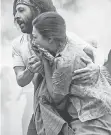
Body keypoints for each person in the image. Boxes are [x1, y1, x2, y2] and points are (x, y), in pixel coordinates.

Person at [12, 0, 97, 134]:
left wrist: (94, 68)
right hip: (43, 107)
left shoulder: (62, 36)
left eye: (21, 10)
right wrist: (30, 70)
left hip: (68, 108)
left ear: (37, 10)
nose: (16, 15)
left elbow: (91, 53)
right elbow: (21, 80)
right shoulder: (18, 44)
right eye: (15, 11)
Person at [32, 12, 111, 135]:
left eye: (35, 37)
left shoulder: (65, 62)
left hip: (92, 123)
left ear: (50, 39)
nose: (33, 41)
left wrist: (45, 63)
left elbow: (56, 98)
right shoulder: (67, 43)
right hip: (98, 115)